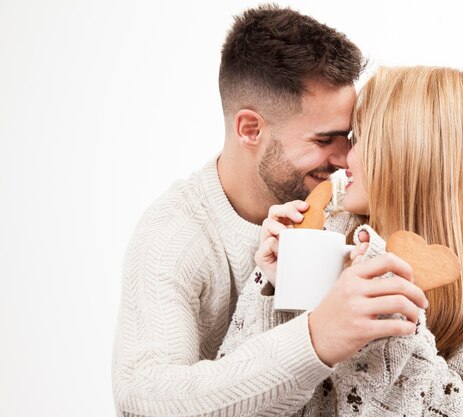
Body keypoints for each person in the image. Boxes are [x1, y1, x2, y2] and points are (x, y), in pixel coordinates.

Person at [217, 66, 463, 416]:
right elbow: (223, 402)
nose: (341, 159)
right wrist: (278, 288)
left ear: (406, 153)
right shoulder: (324, 237)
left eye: (359, 139)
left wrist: (381, 320)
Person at [111, 5, 427, 417]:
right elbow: (144, 399)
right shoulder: (174, 234)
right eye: (325, 139)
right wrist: (315, 340)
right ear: (250, 129)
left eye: (350, 136)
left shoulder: (348, 210)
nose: (347, 157)